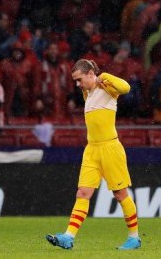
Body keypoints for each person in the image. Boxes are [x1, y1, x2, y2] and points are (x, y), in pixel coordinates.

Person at [46, 59, 141, 250]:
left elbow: (126, 87)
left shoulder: (107, 87)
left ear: (91, 74)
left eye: (79, 79)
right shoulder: (87, 92)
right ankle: (68, 237)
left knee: (120, 194)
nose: (77, 84)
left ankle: (134, 238)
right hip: (91, 150)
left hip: (110, 148)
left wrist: (104, 76)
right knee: (82, 193)